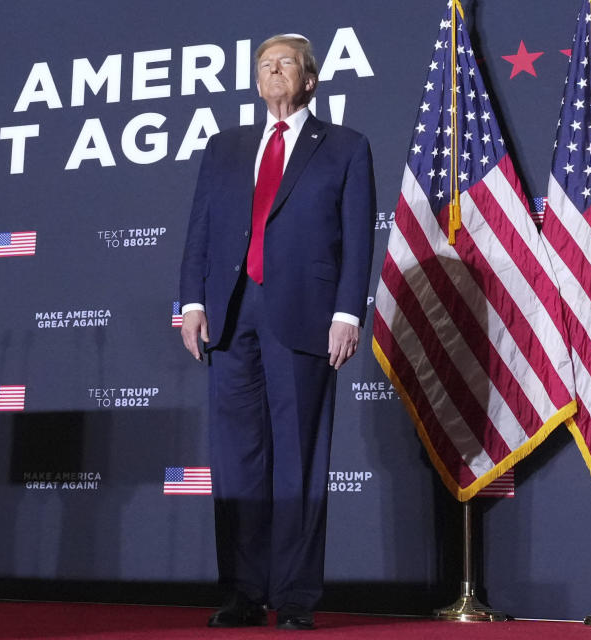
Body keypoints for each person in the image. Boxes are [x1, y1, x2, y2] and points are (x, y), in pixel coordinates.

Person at [178, 33, 375, 631]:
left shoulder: (344, 146)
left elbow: (359, 235)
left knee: (298, 463)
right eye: (264, 64)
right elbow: (201, 231)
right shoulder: (226, 147)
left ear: (309, 79)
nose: (272, 70)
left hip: (306, 316)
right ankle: (242, 592)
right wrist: (191, 302)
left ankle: (292, 597)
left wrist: (347, 313)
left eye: (284, 62)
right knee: (237, 462)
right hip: (233, 316)